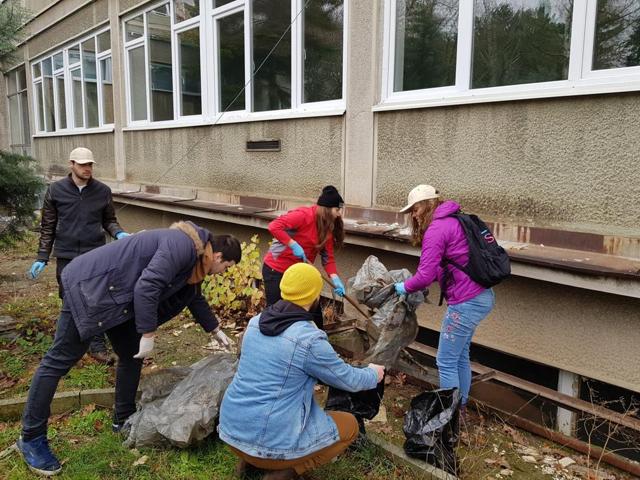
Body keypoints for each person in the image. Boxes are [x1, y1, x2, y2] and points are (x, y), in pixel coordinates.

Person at [16, 221, 240, 476]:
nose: (222, 273)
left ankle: (122, 419)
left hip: (116, 299)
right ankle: (31, 438)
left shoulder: (195, 261)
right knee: (59, 361)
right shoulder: (182, 246)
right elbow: (147, 286)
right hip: (90, 288)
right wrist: (147, 332)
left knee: (131, 356)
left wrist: (215, 329)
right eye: (226, 267)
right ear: (218, 255)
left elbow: (193, 296)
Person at [219, 262, 385, 480]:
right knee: (349, 427)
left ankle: (248, 463)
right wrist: (373, 373)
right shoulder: (308, 339)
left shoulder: (255, 323)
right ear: (314, 297)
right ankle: (284, 472)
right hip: (267, 442)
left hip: (231, 430)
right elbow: (347, 379)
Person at [394, 184, 495, 412]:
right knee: (460, 356)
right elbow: (452, 263)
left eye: (416, 208)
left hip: (466, 303)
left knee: (446, 361)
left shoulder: (437, 229)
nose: (414, 215)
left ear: (428, 204)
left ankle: (447, 418)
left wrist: (404, 287)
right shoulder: (455, 220)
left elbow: (424, 276)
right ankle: (460, 407)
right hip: (481, 296)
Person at [28, 147, 129, 363]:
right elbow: (48, 226)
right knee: (69, 299)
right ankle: (69, 344)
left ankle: (96, 345)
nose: (87, 169)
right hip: (67, 254)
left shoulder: (102, 191)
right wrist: (42, 257)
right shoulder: (56, 190)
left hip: (94, 254)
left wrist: (118, 233)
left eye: (90, 164)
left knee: (97, 298)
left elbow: (109, 220)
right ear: (71, 164)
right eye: (83, 164)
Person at [262, 185, 346, 328]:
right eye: (337, 210)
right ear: (327, 209)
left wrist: (335, 278)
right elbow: (274, 226)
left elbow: (328, 258)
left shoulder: (327, 228)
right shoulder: (303, 215)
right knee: (276, 315)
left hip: (299, 275)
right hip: (276, 271)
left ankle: (317, 343)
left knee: (314, 316)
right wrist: (292, 243)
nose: (339, 214)